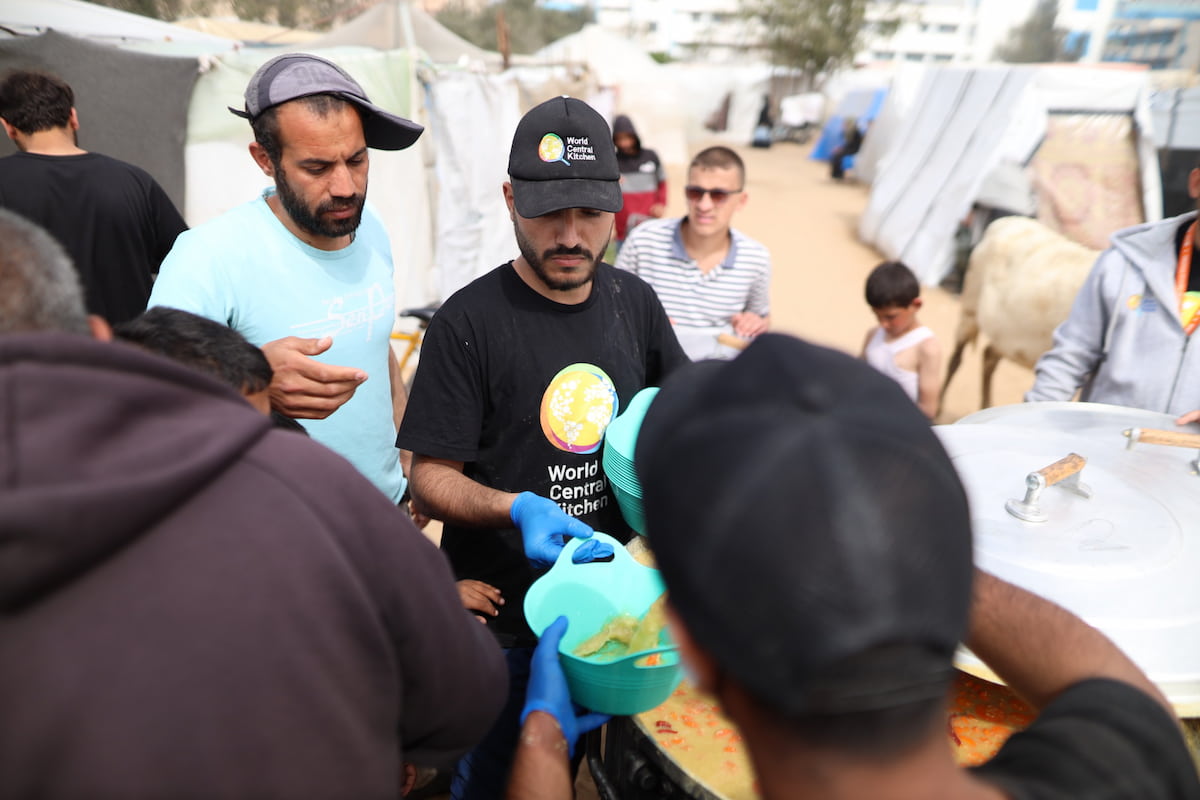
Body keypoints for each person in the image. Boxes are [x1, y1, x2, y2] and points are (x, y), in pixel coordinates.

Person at [507, 333, 1200, 800]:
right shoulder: (1129, 772)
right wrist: (907, 551)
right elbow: (1122, 694)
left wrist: (540, 746)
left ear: (691, 647)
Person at [0, 208, 507, 798]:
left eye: (357, 159)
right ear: (100, 338)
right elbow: (462, 693)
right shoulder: (307, 487)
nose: (343, 184)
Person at [396, 95, 688, 799]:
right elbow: (430, 474)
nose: (569, 234)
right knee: (495, 775)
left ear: (616, 207)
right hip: (509, 622)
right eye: (548, 211)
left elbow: (677, 415)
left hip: (619, 612)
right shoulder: (467, 324)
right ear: (509, 199)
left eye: (588, 213)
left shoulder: (634, 303)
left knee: (603, 767)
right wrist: (512, 507)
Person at [148, 53, 423, 504]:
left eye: (356, 160)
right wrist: (249, 380)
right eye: (316, 168)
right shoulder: (209, 256)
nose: (345, 187)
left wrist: (409, 461)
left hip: (384, 511)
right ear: (264, 159)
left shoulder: (370, 227)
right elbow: (151, 394)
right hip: (281, 531)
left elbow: (376, 347)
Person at [0, 69, 188, 325]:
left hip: (28, 355)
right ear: (73, 117)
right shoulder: (134, 182)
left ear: (8, 127)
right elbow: (186, 262)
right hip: (128, 352)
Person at [1027, 169, 1200, 415]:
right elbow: (1071, 356)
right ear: (1196, 183)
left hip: (1189, 452)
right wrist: (1030, 422)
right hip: (1106, 444)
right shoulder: (1125, 261)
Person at [616, 146, 771, 361]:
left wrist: (753, 322)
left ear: (741, 200)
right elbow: (612, 304)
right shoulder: (643, 241)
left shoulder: (756, 258)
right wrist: (644, 321)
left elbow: (761, 317)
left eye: (719, 195)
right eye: (695, 192)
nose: (704, 205)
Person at [861, 260, 941, 420]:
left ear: (916, 305)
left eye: (891, 317)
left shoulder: (926, 348)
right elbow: (857, 377)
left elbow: (928, 409)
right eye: (877, 316)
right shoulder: (873, 335)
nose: (883, 324)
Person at [612, 114, 666, 248]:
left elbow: (663, 182)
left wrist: (661, 203)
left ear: (634, 136)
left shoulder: (650, 156)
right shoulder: (613, 161)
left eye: (627, 137)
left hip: (649, 223)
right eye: (620, 139)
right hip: (623, 228)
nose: (624, 143)